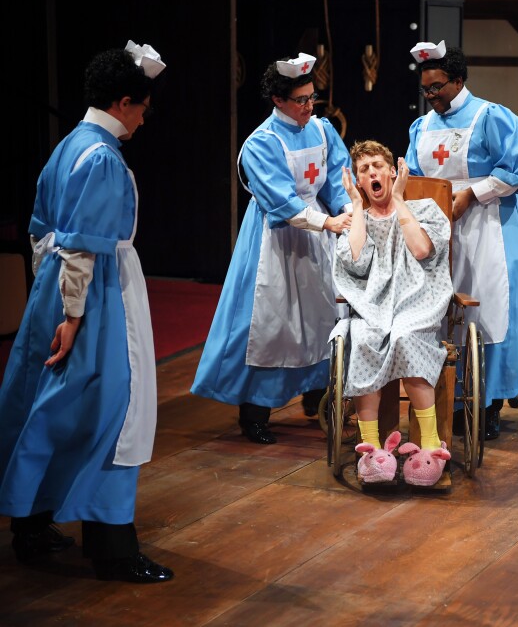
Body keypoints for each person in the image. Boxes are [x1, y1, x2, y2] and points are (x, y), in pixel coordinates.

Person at [0, 41, 173, 581]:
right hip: (94, 294)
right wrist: (75, 316)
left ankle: (29, 523)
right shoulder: (101, 155)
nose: (145, 118)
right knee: (111, 411)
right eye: (143, 107)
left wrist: (47, 297)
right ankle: (112, 547)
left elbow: (39, 232)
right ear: (123, 102)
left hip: (57, 284)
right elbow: (81, 246)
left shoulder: (68, 144)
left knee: (49, 405)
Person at [191, 54, 351, 444]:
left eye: (313, 97)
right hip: (277, 239)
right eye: (301, 100)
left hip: (319, 234)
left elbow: (334, 178)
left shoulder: (322, 129)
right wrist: (324, 222)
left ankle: (318, 397)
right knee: (272, 323)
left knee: (322, 317)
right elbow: (281, 200)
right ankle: (256, 411)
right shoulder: (261, 143)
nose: (309, 106)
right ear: (278, 100)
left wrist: (347, 209)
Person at [404, 41, 518, 439]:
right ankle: (450, 399)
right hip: (440, 230)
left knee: (487, 312)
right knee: (443, 312)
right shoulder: (421, 127)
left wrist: (472, 194)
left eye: (437, 87)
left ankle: (489, 403)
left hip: (489, 228)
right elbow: (414, 178)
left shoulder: (492, 117)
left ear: (457, 80)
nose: (430, 96)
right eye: (425, 89)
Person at [334, 140, 453, 486]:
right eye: (363, 169)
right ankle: (370, 449)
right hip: (374, 305)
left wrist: (399, 200)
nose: (371, 172)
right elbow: (356, 263)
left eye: (376, 165)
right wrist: (357, 207)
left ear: (391, 171)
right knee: (366, 338)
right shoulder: (356, 218)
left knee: (404, 335)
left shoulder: (425, 209)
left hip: (418, 300)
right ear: (358, 180)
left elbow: (420, 249)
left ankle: (430, 445)